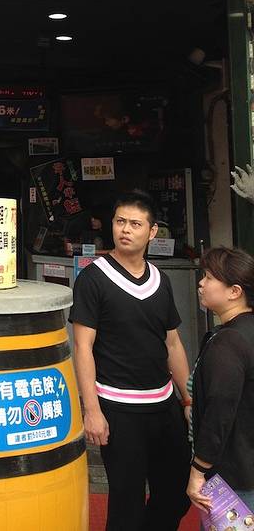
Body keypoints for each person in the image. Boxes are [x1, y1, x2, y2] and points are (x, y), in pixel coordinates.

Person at [69, 188, 191, 530]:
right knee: (127, 504)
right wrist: (92, 411)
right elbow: (82, 347)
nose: (125, 229)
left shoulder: (160, 280)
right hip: (118, 408)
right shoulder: (93, 278)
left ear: (152, 232)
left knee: (177, 493)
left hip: (164, 404)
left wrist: (188, 399)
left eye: (135, 224)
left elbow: (173, 344)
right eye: (120, 221)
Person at [186, 247, 254, 516]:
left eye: (210, 277)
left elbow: (219, 411)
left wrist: (198, 469)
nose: (201, 283)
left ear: (234, 291)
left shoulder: (228, 342)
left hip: (235, 477)